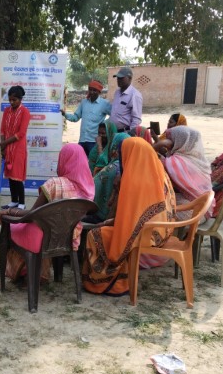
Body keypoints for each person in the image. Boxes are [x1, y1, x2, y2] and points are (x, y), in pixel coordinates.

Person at [82, 137, 176, 296]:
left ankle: (113, 283)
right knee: (107, 229)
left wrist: (111, 222)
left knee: (96, 234)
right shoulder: (158, 170)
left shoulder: (135, 180)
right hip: (163, 229)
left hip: (148, 232)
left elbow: (131, 220)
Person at [0, 143, 95, 282]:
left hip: (45, 238)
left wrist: (10, 211)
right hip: (70, 237)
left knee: (11, 227)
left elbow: (32, 214)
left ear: (63, 160)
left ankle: (21, 272)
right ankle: (54, 276)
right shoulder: (88, 187)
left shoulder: (54, 184)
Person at [154, 126, 214, 218]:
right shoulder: (195, 158)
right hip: (203, 207)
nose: (169, 141)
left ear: (180, 142)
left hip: (195, 212)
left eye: (171, 139)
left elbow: (151, 154)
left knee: (151, 213)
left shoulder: (177, 162)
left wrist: (160, 144)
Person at [85, 133, 130, 224]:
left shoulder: (111, 168)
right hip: (122, 216)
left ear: (114, 147)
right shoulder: (130, 166)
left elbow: (94, 187)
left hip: (102, 216)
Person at [61, 80, 111, 156]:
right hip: (82, 140)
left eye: (94, 90)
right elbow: (76, 117)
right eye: (90, 89)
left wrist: (104, 124)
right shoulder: (84, 102)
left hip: (95, 141)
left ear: (99, 92)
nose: (92, 92)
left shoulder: (104, 104)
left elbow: (114, 116)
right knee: (79, 161)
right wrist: (65, 114)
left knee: (93, 162)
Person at [0, 85, 31, 209]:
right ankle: (14, 200)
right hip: (7, 148)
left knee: (17, 176)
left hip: (18, 149)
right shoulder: (6, 111)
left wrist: (5, 143)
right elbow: (3, 130)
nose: (11, 102)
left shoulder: (25, 112)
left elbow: (21, 133)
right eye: (10, 100)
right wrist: (3, 147)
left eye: (14, 100)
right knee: (10, 176)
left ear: (20, 99)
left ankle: (22, 203)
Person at [110, 66, 143, 133]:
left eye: (121, 78)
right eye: (118, 78)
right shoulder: (117, 92)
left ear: (130, 78)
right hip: (113, 132)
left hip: (125, 133)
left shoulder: (135, 95)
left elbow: (136, 120)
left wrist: (130, 134)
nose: (118, 80)